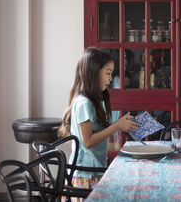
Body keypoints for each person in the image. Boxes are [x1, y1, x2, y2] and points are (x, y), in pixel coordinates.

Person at [58, 47, 139, 197]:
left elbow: (100, 130)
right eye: (108, 73)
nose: (110, 78)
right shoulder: (84, 103)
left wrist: (123, 124)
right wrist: (116, 126)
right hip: (85, 174)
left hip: (94, 169)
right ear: (93, 73)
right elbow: (87, 141)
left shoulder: (95, 101)